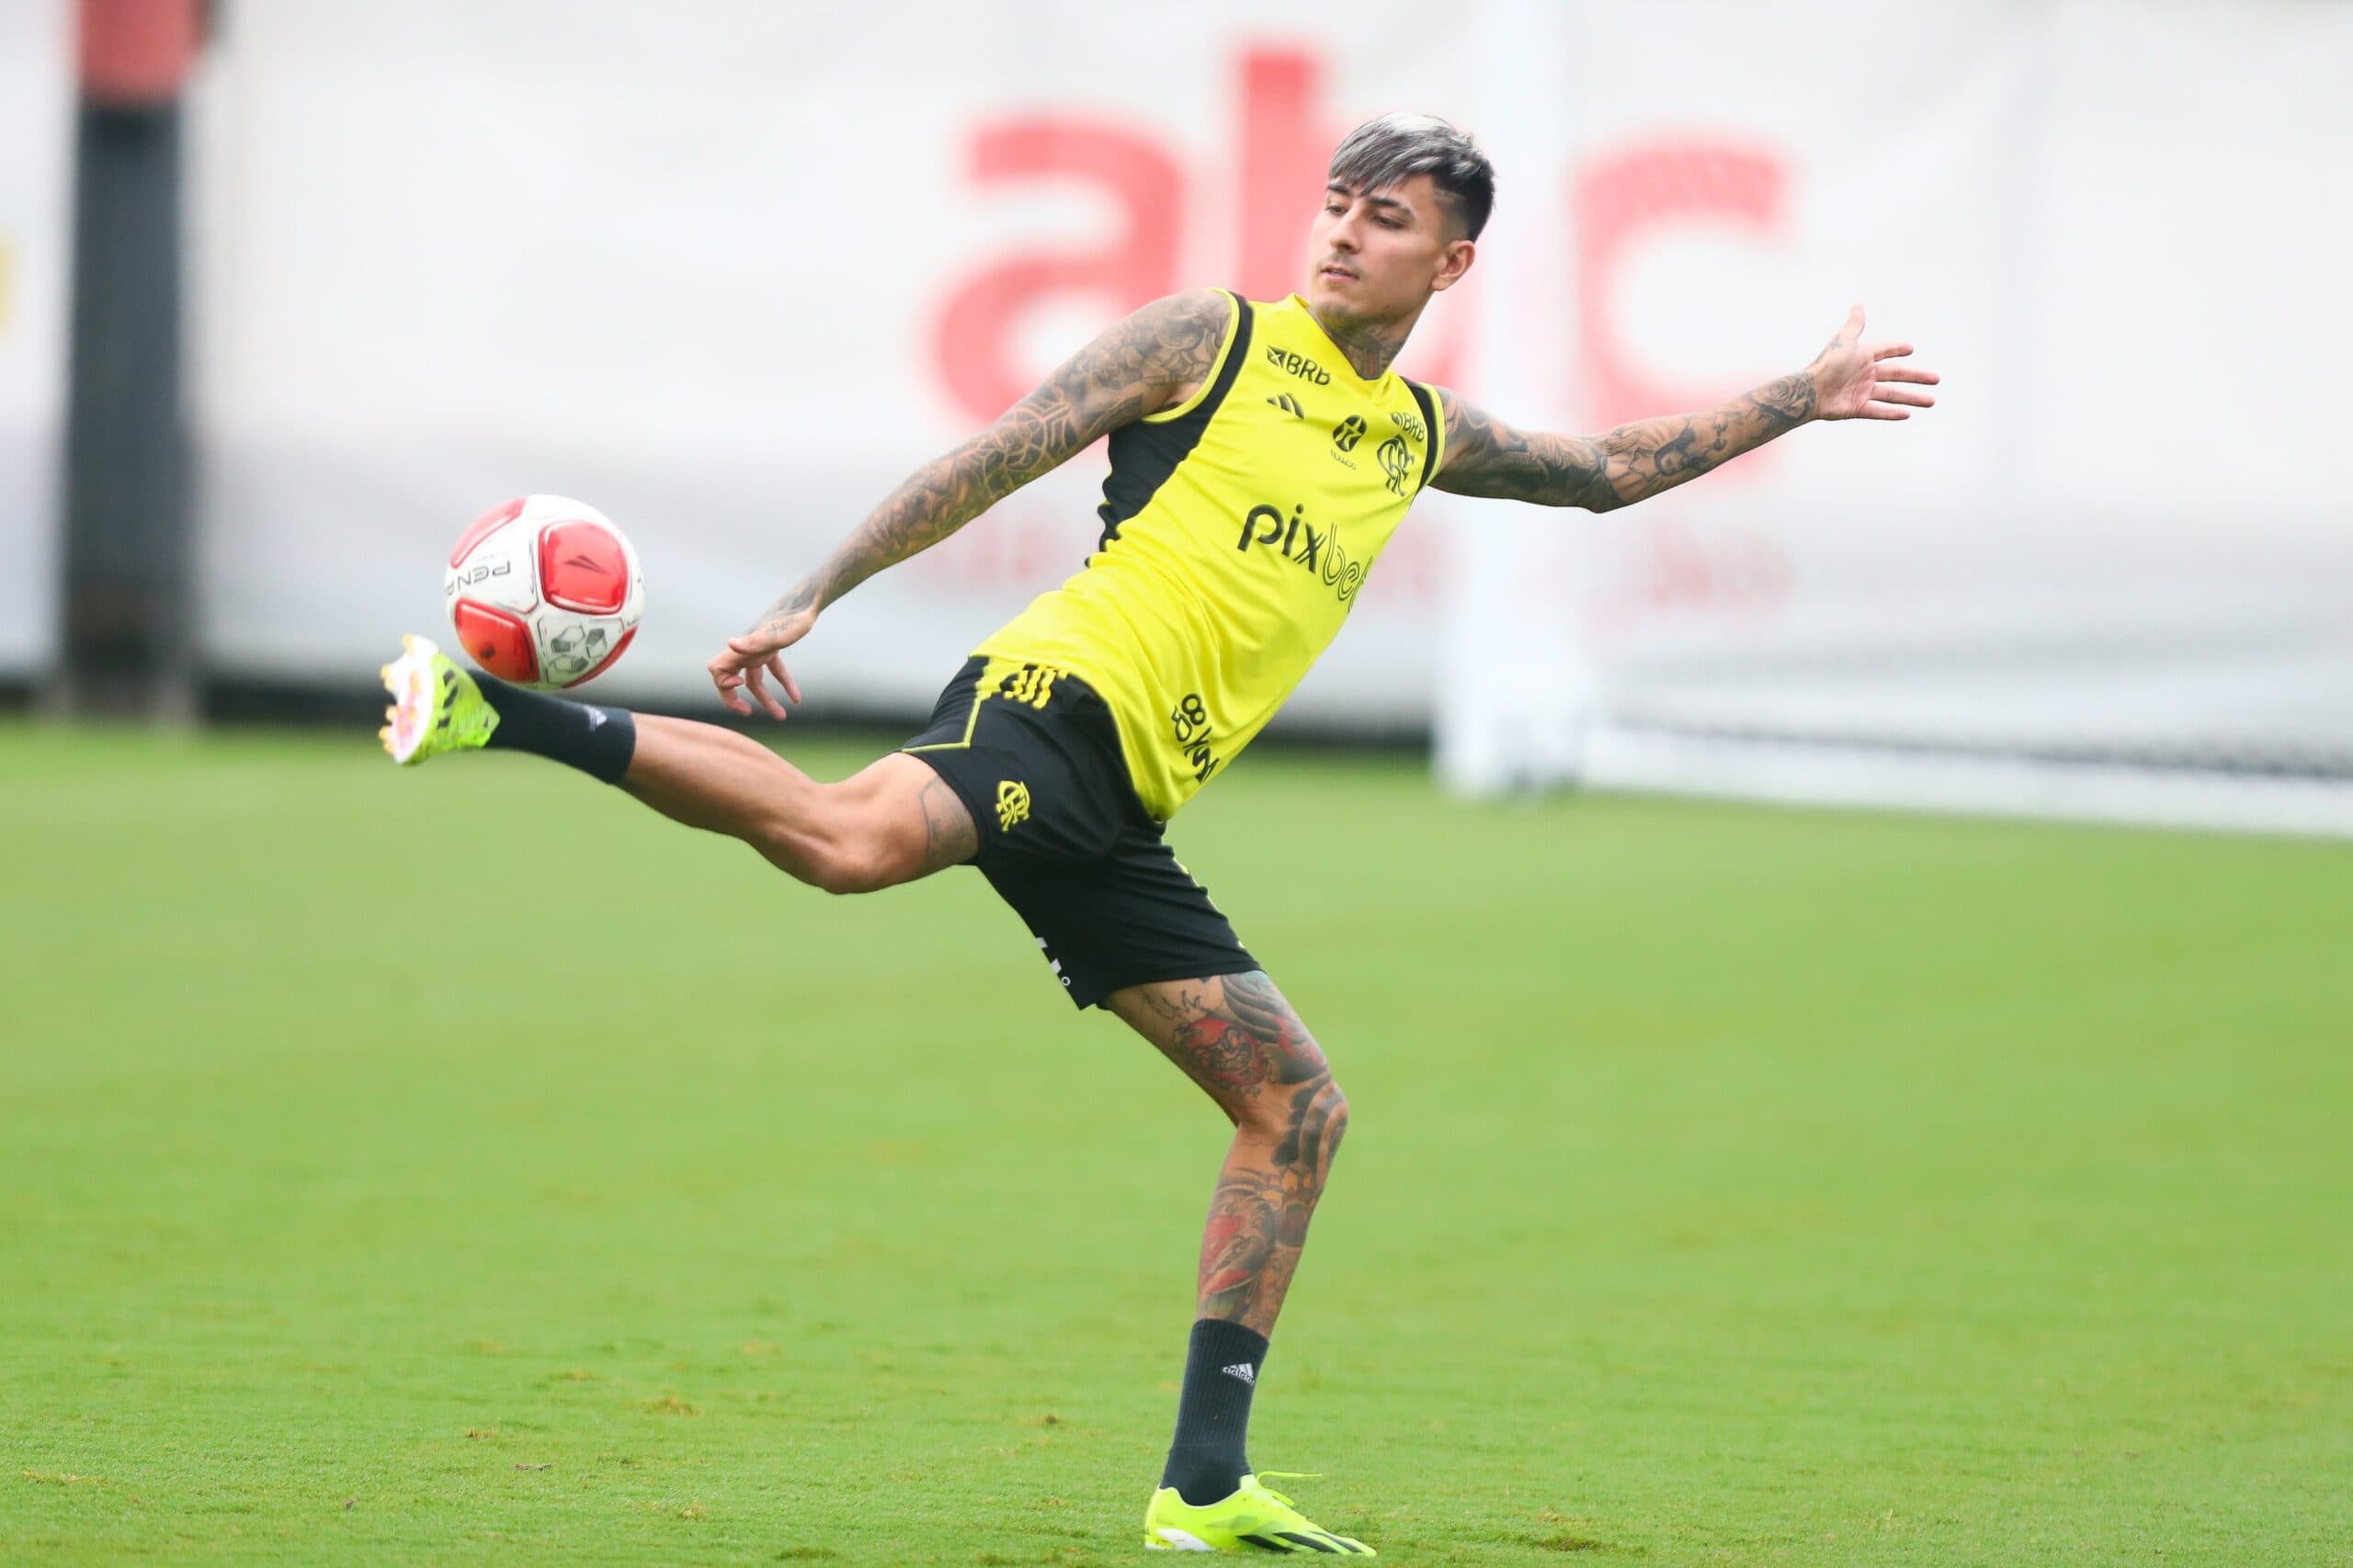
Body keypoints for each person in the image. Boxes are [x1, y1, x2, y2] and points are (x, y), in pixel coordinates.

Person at [380, 113, 1936, 1555]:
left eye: (1381, 219)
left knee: (1297, 1110)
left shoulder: (1412, 432)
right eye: (1332, 204)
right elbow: (996, 451)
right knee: (849, 843)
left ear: (1450, 262)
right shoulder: (1216, 337)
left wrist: (1801, 393)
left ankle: (1203, 1488)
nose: (1339, 235)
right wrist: (818, 590)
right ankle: (485, 712)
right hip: (1052, 703)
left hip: (1118, 810)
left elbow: (1602, 473)